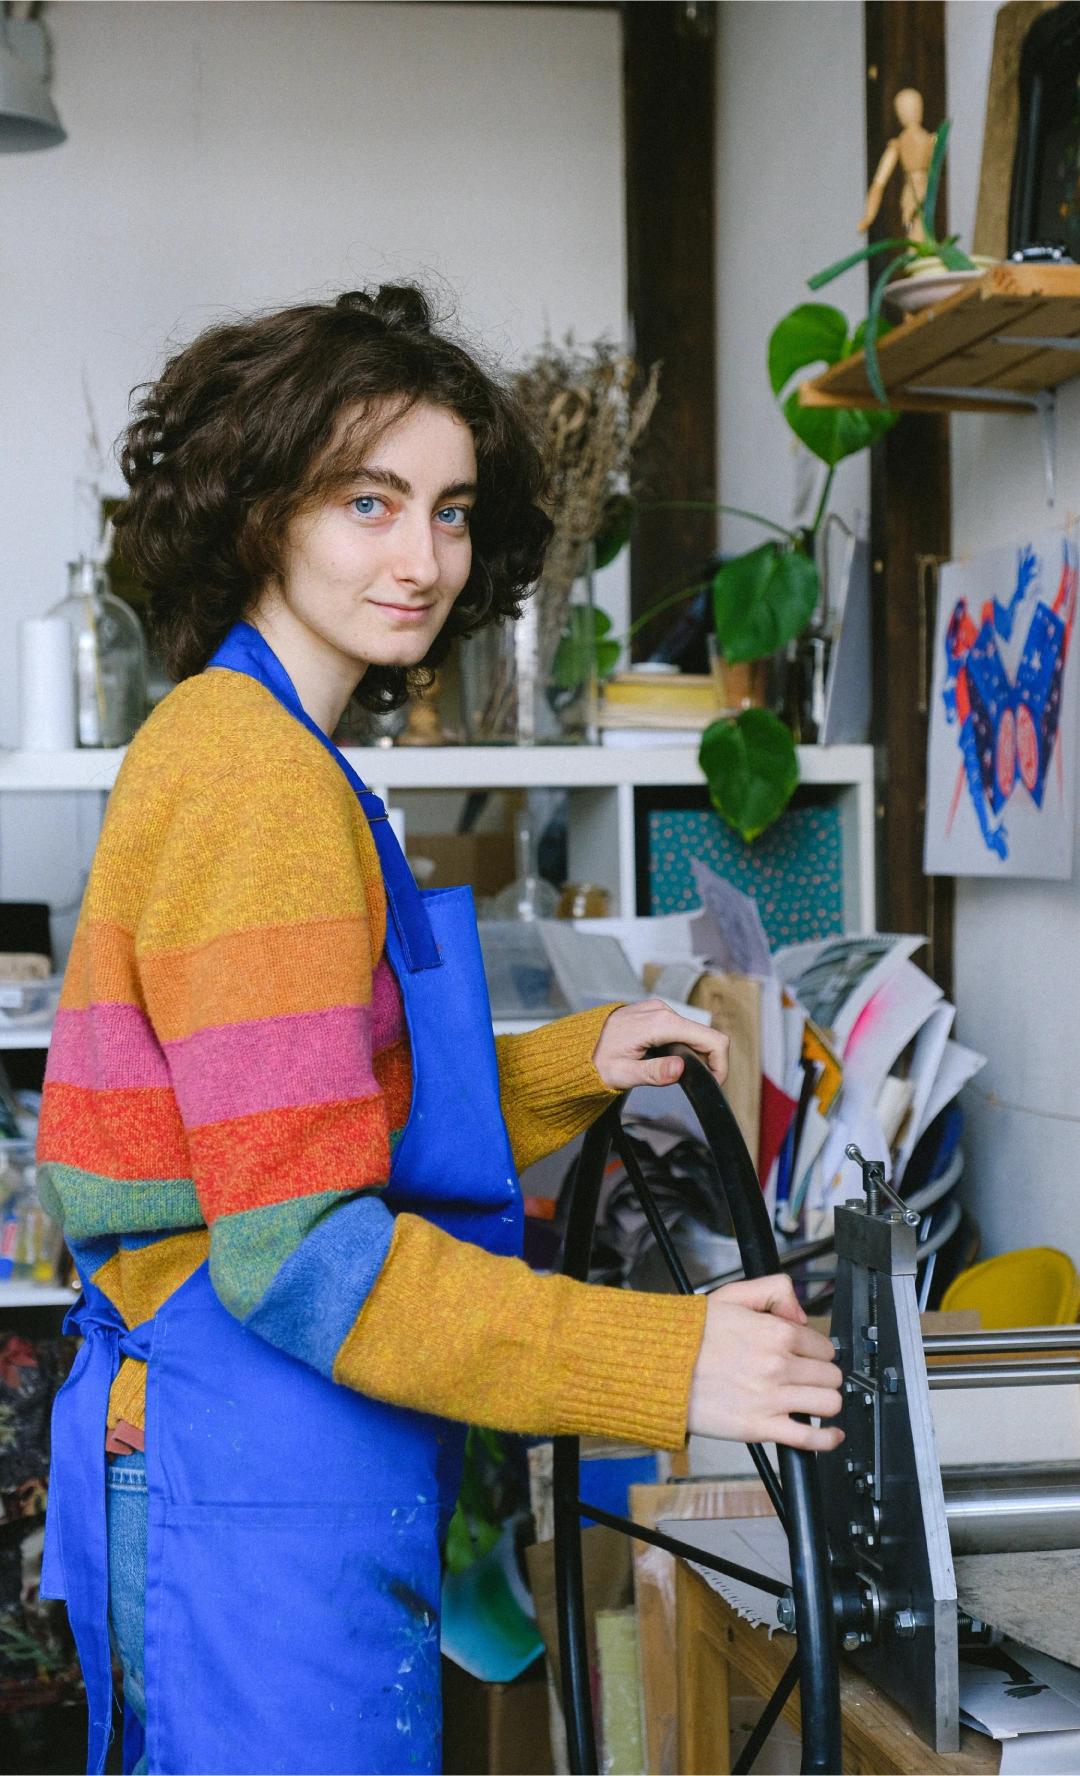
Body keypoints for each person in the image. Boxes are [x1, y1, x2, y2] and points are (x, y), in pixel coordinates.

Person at [36, 285, 842, 1776]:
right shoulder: (259, 782)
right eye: (368, 501)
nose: (423, 559)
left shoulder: (259, 738)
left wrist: (557, 1070)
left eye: (453, 510)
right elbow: (296, 1252)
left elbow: (282, 1108)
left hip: (255, 1447)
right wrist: (666, 1362)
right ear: (262, 507)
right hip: (256, 1461)